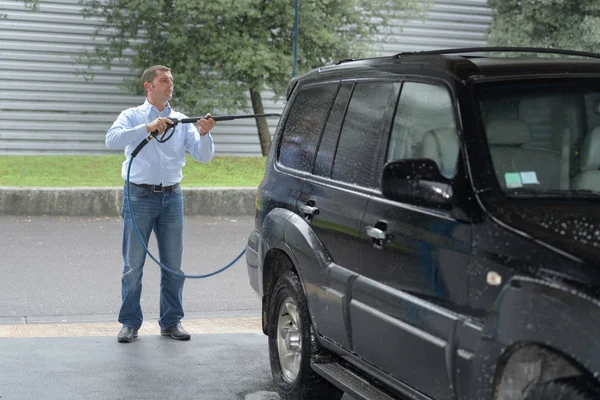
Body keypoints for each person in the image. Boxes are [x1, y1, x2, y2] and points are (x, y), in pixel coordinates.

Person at [105, 65, 216, 343]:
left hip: (172, 198)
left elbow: (203, 157)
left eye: (172, 80)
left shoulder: (181, 120)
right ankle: (130, 323)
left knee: (173, 265)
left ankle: (171, 322)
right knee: (133, 265)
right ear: (148, 86)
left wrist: (204, 134)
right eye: (164, 80)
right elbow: (111, 140)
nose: (170, 85)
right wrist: (147, 128)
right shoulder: (131, 116)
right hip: (138, 196)